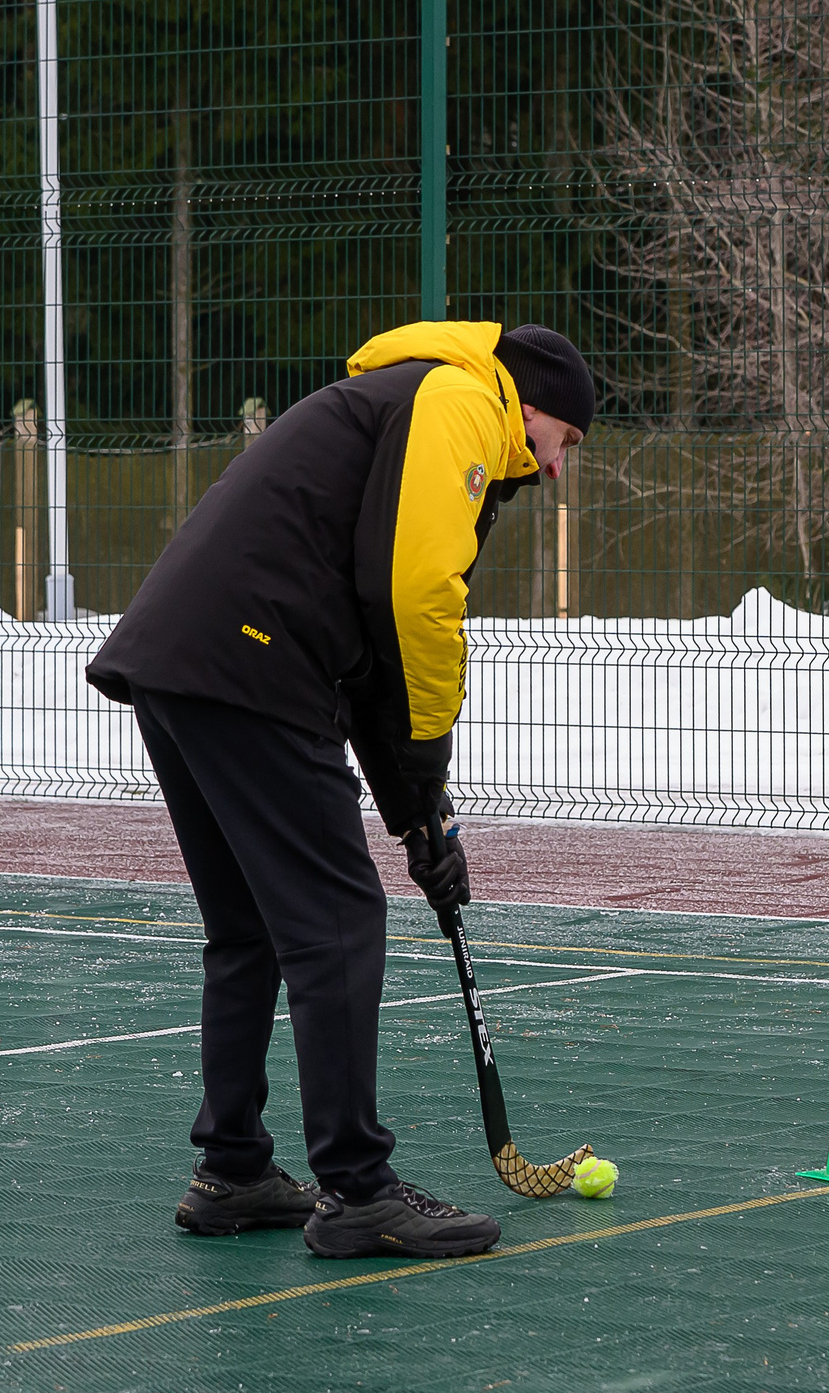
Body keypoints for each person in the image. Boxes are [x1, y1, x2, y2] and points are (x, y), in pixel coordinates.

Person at [86, 320, 594, 1260]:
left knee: (250, 927)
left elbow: (365, 642)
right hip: (251, 660)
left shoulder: (407, 397)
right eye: (565, 440)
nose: (559, 469)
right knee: (339, 919)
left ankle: (231, 1168)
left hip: (185, 657)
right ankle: (357, 1187)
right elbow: (414, 596)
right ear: (532, 410)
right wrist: (431, 750)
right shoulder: (462, 403)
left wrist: (417, 813)